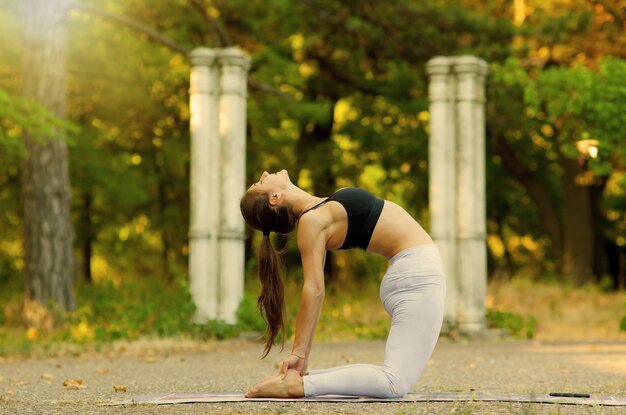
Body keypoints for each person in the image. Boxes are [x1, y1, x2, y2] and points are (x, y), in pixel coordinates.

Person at [239, 169, 445, 399]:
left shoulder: (319, 211)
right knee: (394, 383)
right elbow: (314, 289)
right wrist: (299, 352)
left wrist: (302, 357)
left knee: (394, 379)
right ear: (274, 198)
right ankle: (298, 387)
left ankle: (300, 381)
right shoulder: (312, 221)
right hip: (416, 277)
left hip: (411, 274)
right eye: (259, 182)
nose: (265, 173)